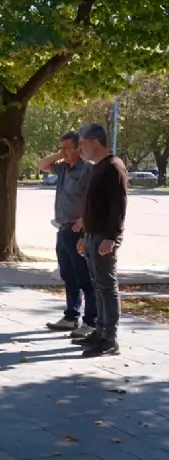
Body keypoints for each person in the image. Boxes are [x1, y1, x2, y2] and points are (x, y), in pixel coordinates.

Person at [74, 123, 128, 357]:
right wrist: (85, 235)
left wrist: (111, 237)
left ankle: (110, 339)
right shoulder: (98, 167)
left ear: (95, 142)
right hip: (92, 236)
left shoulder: (113, 167)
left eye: (82, 143)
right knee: (98, 285)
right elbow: (93, 206)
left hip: (104, 238)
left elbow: (119, 207)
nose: (80, 148)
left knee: (107, 286)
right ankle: (100, 330)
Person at [37, 132, 96, 338]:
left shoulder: (88, 169)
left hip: (78, 230)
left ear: (79, 148)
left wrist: (85, 219)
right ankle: (71, 317)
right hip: (63, 229)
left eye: (67, 148)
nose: (63, 152)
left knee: (84, 277)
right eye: (60, 148)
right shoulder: (63, 167)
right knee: (68, 275)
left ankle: (91, 321)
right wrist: (60, 154)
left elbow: (96, 197)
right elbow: (42, 165)